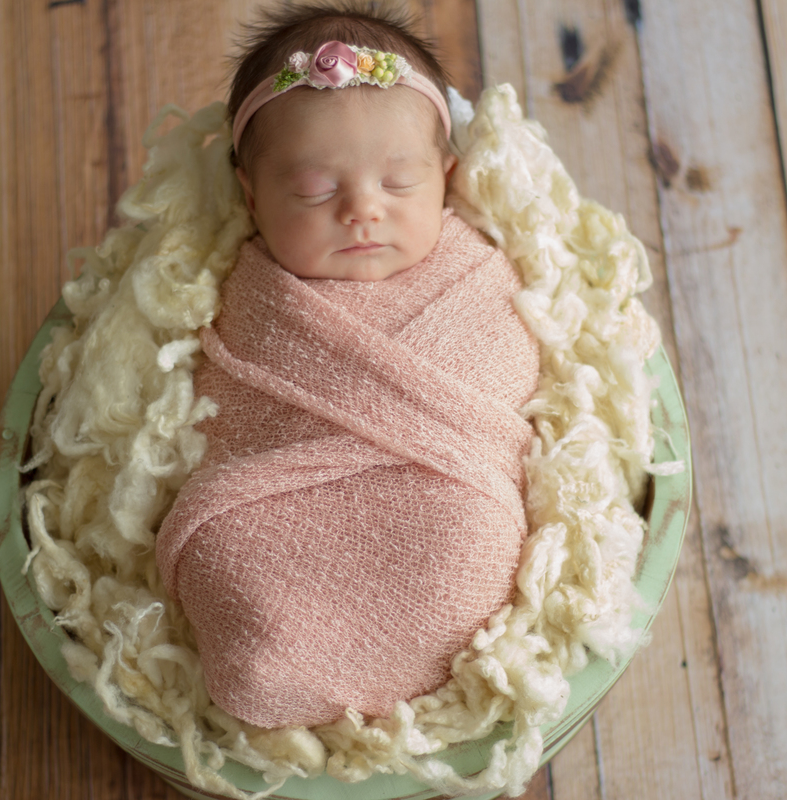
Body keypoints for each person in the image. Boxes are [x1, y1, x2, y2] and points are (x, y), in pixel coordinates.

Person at [155, 2, 541, 730]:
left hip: (443, 500)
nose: (363, 209)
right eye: (315, 191)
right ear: (252, 198)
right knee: (225, 555)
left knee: (471, 539)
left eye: (399, 184)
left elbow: (511, 367)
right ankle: (266, 664)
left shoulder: (472, 272)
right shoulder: (249, 291)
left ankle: (431, 650)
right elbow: (214, 409)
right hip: (265, 508)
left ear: (448, 177)